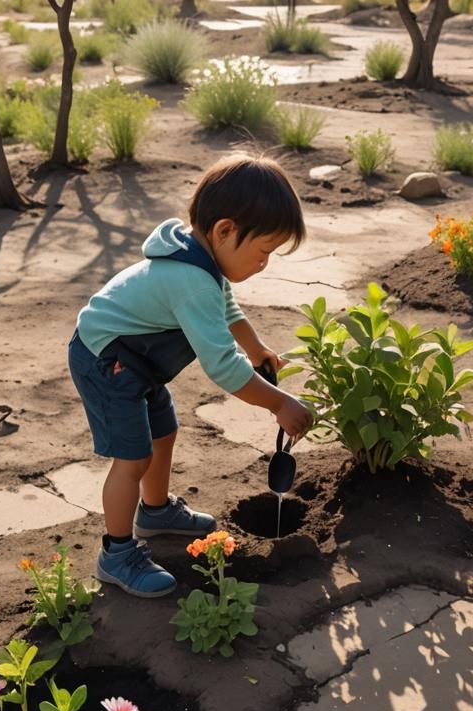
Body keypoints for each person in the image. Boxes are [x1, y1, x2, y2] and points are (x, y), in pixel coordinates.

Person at [68, 154, 314, 597]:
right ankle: (117, 553)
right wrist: (279, 402)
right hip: (106, 362)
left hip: (133, 362)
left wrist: (255, 346)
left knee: (164, 431)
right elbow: (222, 366)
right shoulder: (192, 280)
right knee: (133, 456)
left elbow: (227, 307)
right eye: (264, 252)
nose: (265, 264)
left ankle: (156, 511)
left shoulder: (201, 261)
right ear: (225, 231)